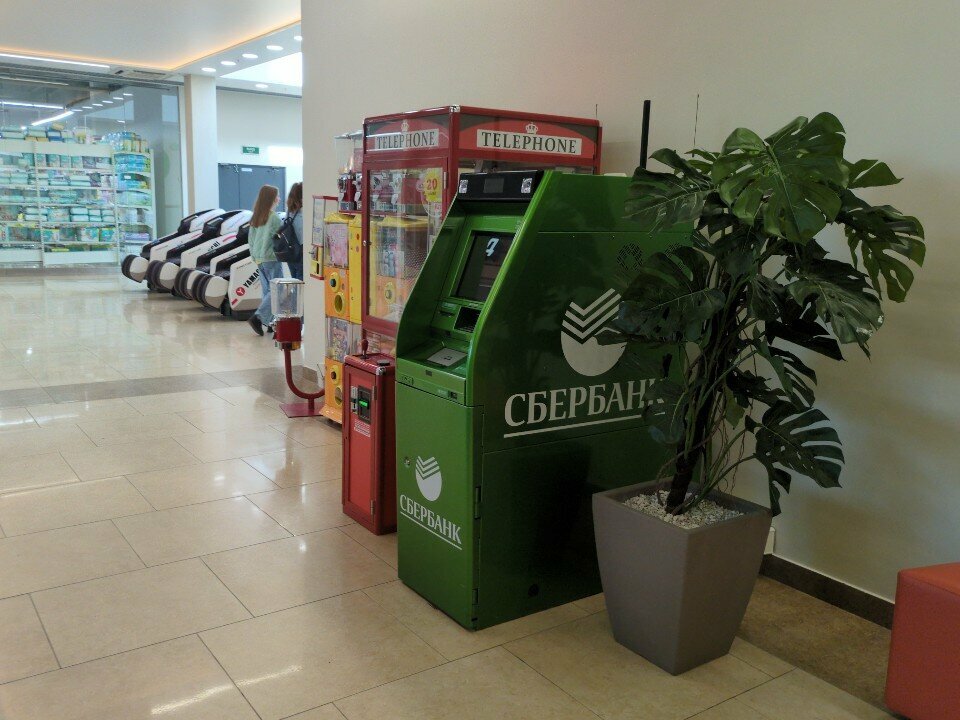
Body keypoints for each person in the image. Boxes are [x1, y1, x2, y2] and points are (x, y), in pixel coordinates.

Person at [247, 184, 282, 336]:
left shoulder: (257, 216)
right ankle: (259, 317)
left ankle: (269, 322)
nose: (279, 199)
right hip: (271, 258)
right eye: (277, 196)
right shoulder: (274, 218)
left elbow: (251, 239)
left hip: (259, 259)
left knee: (267, 290)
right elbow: (283, 235)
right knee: (277, 290)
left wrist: (254, 255)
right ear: (272, 199)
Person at [286, 182, 304, 280]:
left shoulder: (289, 211)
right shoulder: (303, 211)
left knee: (294, 280)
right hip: (300, 249)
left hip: (290, 250)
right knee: (301, 280)